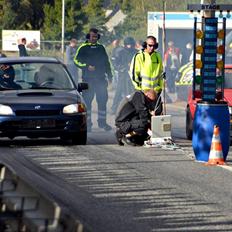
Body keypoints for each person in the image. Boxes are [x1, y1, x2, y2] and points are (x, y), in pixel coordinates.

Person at [74, 28, 113, 132]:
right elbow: (76, 61)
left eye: (96, 37)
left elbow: (107, 62)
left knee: (102, 101)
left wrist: (110, 76)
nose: (94, 38)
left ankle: (102, 123)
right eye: (93, 37)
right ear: (88, 37)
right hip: (88, 80)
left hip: (101, 80)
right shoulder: (83, 47)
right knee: (87, 102)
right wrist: (86, 66)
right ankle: (88, 124)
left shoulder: (101, 48)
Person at [130, 35, 164, 112]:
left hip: (155, 92)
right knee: (143, 114)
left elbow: (160, 74)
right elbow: (134, 74)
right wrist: (140, 89)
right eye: (150, 45)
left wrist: (159, 88)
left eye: (154, 45)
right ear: (145, 45)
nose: (152, 47)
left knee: (157, 114)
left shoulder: (157, 56)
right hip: (143, 92)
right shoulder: (139, 56)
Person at [110, 37, 137, 114]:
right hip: (123, 75)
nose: (129, 46)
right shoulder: (120, 51)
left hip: (133, 76)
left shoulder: (136, 52)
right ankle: (114, 108)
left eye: (131, 45)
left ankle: (133, 108)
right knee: (119, 91)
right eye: (128, 45)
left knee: (132, 92)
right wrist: (121, 68)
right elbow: (114, 62)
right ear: (125, 45)